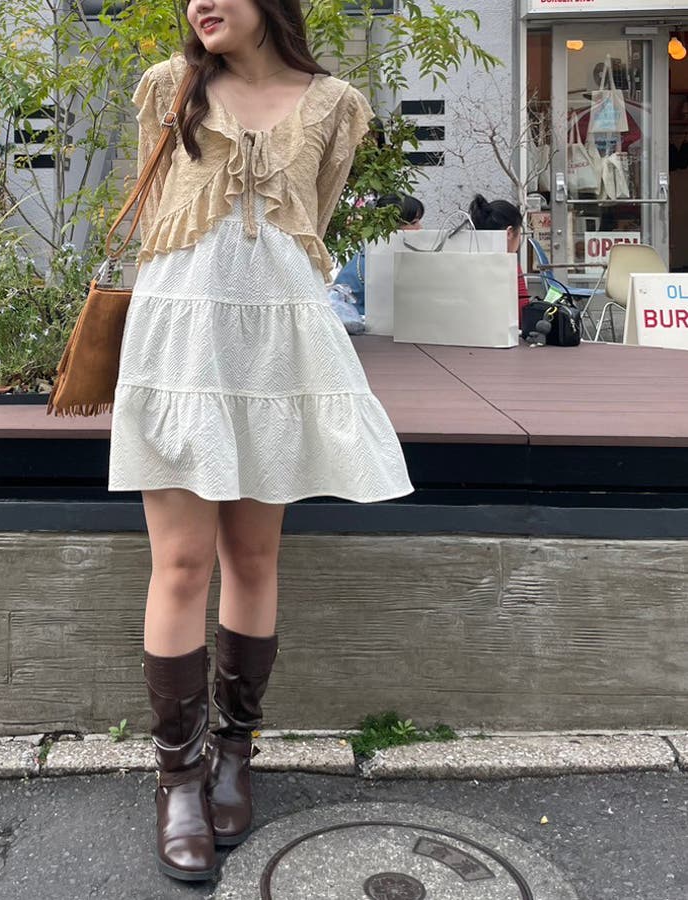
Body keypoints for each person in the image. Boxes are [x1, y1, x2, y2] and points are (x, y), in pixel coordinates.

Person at [105, 0, 413, 884]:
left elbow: (312, 223)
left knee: (253, 556)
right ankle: (179, 780)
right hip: (181, 345)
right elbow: (157, 222)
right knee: (180, 564)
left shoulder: (335, 105)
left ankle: (235, 755)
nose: (200, 3)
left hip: (275, 348)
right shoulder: (168, 87)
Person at [332, 193, 425, 314]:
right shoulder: (367, 263)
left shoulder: (401, 256)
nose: (420, 228)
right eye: (414, 223)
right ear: (392, 227)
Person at [468, 194, 530, 326]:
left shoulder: (467, 258)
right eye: (520, 233)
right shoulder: (509, 264)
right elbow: (522, 314)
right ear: (509, 233)